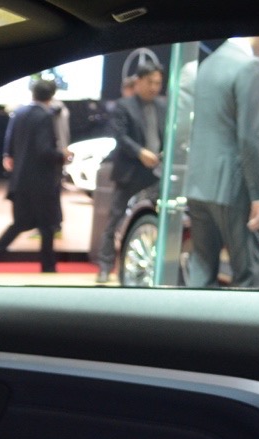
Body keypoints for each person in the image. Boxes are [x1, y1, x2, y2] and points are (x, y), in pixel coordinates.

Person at [184, 36, 259, 288]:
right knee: (248, 278)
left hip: (198, 182)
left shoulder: (208, 65)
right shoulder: (251, 66)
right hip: (233, 187)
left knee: (201, 273)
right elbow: (252, 138)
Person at [0, 77, 67, 274]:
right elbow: (43, 150)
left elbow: (9, 139)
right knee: (48, 226)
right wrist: (62, 156)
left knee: (21, 224)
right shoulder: (45, 116)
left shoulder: (20, 112)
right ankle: (48, 268)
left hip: (20, 180)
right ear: (52, 95)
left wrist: (7, 155)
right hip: (41, 183)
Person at [90, 50, 165, 283]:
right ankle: (105, 266)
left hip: (156, 173)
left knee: (159, 219)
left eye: (158, 83)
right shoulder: (124, 105)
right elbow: (120, 136)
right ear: (138, 81)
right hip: (130, 172)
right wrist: (140, 152)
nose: (154, 87)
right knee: (114, 220)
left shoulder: (163, 105)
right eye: (150, 82)